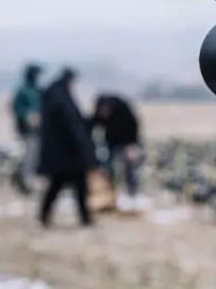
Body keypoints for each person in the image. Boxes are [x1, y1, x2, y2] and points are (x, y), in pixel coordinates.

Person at [38, 68, 96, 227]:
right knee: (67, 185)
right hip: (67, 153)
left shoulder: (55, 95)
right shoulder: (61, 98)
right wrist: (82, 144)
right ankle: (83, 218)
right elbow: (71, 125)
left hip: (62, 153)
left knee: (65, 185)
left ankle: (83, 218)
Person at [89, 95, 142, 197]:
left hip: (128, 141)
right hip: (111, 141)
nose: (104, 116)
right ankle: (109, 189)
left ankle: (132, 192)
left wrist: (132, 145)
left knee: (131, 164)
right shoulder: (99, 113)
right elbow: (91, 125)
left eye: (105, 113)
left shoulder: (123, 110)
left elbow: (133, 124)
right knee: (107, 165)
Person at [10, 63, 43, 194]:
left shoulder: (37, 90)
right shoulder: (23, 90)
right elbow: (16, 108)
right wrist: (27, 116)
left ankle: (23, 177)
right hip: (26, 128)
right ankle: (25, 181)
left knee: (35, 156)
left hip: (39, 129)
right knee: (29, 155)